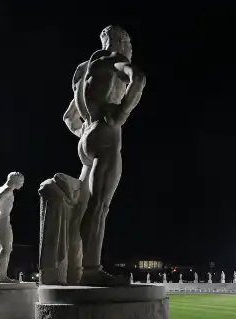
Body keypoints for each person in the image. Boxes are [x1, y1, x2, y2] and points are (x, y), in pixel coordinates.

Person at [63, 25, 146, 285]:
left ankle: (73, 267)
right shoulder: (115, 61)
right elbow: (139, 79)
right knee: (99, 207)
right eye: (129, 43)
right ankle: (91, 270)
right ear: (120, 41)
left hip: (86, 136)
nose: (130, 49)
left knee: (82, 208)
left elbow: (68, 118)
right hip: (106, 135)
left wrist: (88, 132)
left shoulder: (82, 70)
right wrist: (121, 113)